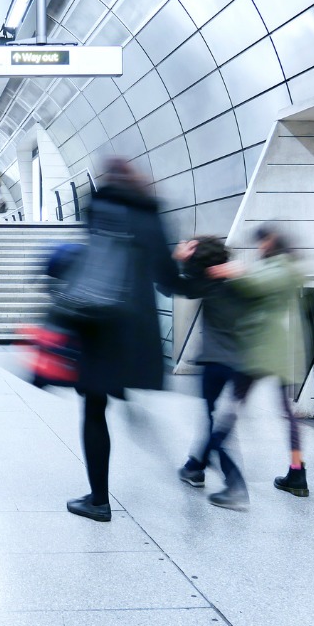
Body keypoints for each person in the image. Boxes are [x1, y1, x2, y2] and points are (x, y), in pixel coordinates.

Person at [66, 158, 184, 522]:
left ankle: (98, 500)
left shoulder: (97, 208)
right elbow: (169, 280)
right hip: (136, 328)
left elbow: (91, 266)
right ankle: (127, 398)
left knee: (93, 409)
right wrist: (205, 279)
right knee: (111, 391)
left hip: (99, 324)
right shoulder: (153, 214)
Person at [209, 225, 310, 497]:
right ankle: (296, 471)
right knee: (285, 411)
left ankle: (207, 454)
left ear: (271, 241)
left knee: (232, 404)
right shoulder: (285, 266)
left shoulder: (281, 268)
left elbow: (257, 283)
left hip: (262, 347)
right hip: (279, 348)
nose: (259, 247)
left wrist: (235, 272)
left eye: (262, 242)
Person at [173, 236, 250, 510]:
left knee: (215, 423)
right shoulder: (241, 281)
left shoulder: (210, 284)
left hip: (218, 362)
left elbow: (176, 285)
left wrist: (180, 260)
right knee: (219, 420)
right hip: (246, 363)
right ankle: (194, 466)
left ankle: (235, 485)